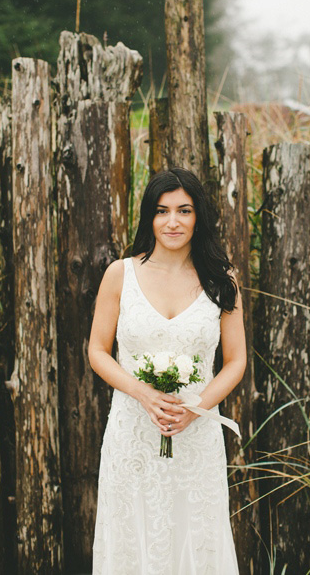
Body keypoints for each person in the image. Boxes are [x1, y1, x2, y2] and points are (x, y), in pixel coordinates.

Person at [88, 167, 247, 574]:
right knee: (131, 534)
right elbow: (98, 351)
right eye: (162, 211)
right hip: (132, 434)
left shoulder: (221, 280)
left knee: (194, 535)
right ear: (149, 217)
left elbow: (235, 362)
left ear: (198, 217)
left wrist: (195, 408)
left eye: (184, 210)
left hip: (197, 435)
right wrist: (142, 393)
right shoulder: (120, 274)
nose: (172, 221)